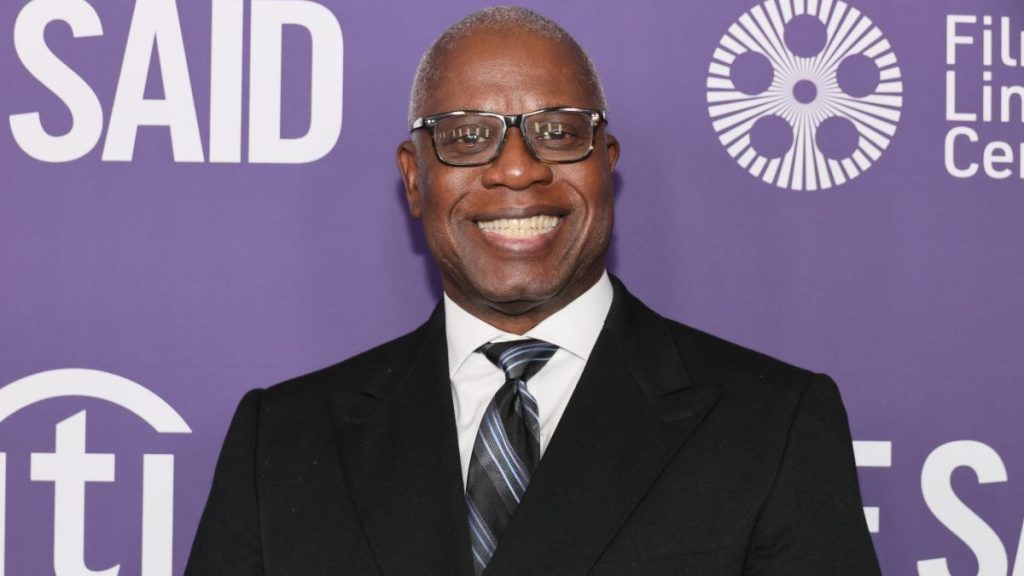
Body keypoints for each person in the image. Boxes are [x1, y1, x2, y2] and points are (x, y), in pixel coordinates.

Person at [186, 6, 880, 575]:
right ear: (412, 178)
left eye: (557, 132)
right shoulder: (281, 440)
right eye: (465, 137)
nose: (517, 169)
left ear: (606, 163)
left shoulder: (773, 423)